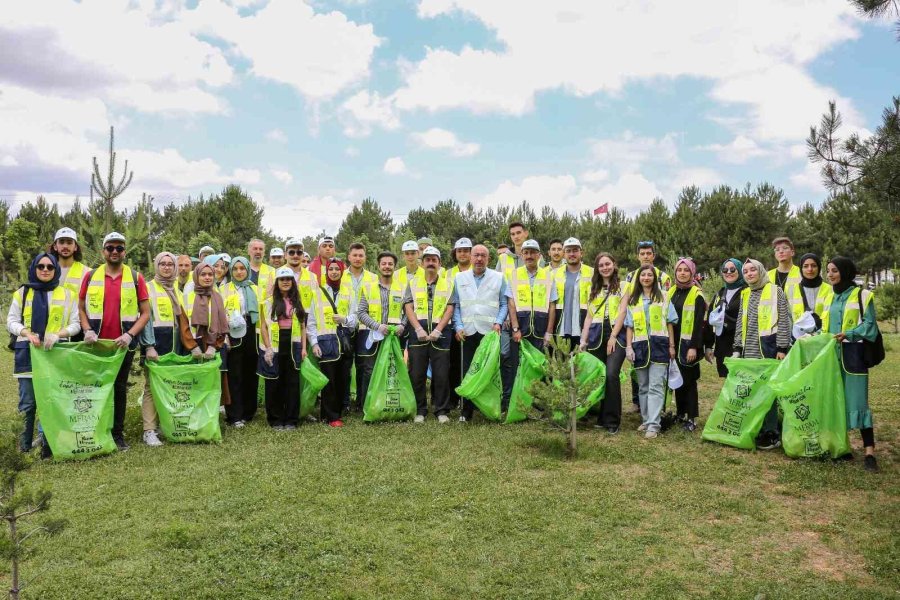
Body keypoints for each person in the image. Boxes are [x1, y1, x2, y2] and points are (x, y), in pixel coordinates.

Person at [79, 232, 151, 451]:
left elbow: (146, 313)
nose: (114, 252)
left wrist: (130, 335)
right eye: (110, 248)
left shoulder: (135, 277)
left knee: (119, 388)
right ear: (103, 251)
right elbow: (81, 307)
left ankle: (117, 435)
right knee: (96, 387)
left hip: (122, 346)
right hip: (96, 344)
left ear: (124, 252)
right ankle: (95, 430)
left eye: (119, 248)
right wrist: (87, 329)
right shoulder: (91, 276)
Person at [7, 253, 81, 456]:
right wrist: (26, 333)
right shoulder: (22, 293)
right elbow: (11, 321)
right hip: (28, 354)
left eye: (50, 266)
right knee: (28, 403)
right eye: (41, 266)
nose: (45, 270)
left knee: (53, 400)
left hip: (56, 355)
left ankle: (49, 445)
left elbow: (76, 324)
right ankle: (24, 447)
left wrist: (59, 334)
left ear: (56, 269)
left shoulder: (67, 294)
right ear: (34, 268)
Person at [821, 257, 881, 472]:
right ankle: (841, 447)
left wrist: (850, 333)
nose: (830, 275)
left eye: (834, 270)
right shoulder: (828, 296)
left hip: (854, 355)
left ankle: (869, 453)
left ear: (845, 271)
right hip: (831, 356)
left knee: (859, 403)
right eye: (828, 271)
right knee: (834, 402)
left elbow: (870, 326)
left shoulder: (862, 295)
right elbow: (824, 325)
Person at [733, 258, 792, 450]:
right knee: (754, 391)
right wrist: (736, 348)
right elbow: (740, 323)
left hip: (769, 349)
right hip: (749, 350)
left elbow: (784, 320)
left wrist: (782, 348)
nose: (749, 274)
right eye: (746, 271)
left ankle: (772, 433)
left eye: (753, 270)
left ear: (760, 271)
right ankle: (757, 428)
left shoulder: (775, 291)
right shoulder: (745, 294)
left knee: (769, 392)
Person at [451, 244, 508, 422]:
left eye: (483, 256)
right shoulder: (459, 277)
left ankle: (488, 408)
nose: (479, 259)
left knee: (489, 371)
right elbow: (456, 305)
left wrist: (498, 322)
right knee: (469, 371)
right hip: (467, 332)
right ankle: (466, 411)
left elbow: (504, 304)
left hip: (489, 332)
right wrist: (458, 326)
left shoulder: (498, 277)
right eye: (476, 255)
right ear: (471, 257)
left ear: (488, 259)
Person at [624, 265, 677, 439]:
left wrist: (671, 346)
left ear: (654, 278)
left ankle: (654, 425)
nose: (646, 277)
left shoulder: (664, 297)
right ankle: (646, 420)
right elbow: (629, 326)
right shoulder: (634, 300)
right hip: (639, 347)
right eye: (643, 275)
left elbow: (670, 323)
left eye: (649, 275)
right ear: (638, 278)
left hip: (659, 346)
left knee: (655, 386)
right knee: (643, 387)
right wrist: (629, 347)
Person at [404, 246, 455, 423]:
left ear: (440, 263)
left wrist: (439, 328)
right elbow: (408, 306)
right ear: (422, 262)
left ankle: (441, 410)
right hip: (418, 333)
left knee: (441, 374)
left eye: (434, 260)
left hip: (440, 333)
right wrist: (417, 328)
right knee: (417, 373)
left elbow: (450, 308)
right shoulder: (412, 283)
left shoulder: (448, 283)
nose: (431, 263)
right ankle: (420, 410)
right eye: (428, 260)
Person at [139, 252, 185, 447]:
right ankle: (149, 430)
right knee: (151, 387)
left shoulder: (177, 290)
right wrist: (148, 346)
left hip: (175, 343)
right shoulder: (148, 288)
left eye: (170, 264)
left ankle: (165, 424)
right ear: (156, 266)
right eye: (163, 264)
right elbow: (144, 318)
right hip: (155, 344)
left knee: (170, 386)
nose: (166, 267)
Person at [507, 240, 558, 413]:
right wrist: (515, 328)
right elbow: (511, 303)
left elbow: (552, 306)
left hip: (541, 328)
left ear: (539, 255)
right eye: (526, 252)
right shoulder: (514, 275)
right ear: (522, 255)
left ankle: (540, 404)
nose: (529, 256)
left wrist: (549, 332)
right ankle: (520, 402)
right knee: (519, 365)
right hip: (520, 328)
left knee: (541, 367)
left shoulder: (548, 276)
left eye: (532, 252)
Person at [579, 252, 627, 433]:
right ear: (597, 269)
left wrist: (613, 336)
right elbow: (589, 318)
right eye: (601, 265)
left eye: (608, 264)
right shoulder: (594, 289)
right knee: (599, 376)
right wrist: (583, 340)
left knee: (611, 375)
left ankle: (613, 420)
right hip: (596, 335)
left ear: (614, 264)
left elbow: (622, 313)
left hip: (617, 334)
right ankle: (601, 415)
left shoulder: (624, 286)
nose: (605, 267)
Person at [622, 240, 672, 412]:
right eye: (642, 253)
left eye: (648, 253)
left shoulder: (664, 277)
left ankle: (659, 407)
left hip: (658, 331)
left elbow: (666, 302)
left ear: (653, 255)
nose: (645, 256)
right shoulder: (630, 277)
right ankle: (637, 403)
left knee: (658, 376)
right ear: (638, 256)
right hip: (638, 329)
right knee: (639, 371)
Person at [308, 258, 356, 427]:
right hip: (325, 342)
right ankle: (331, 416)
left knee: (342, 379)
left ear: (342, 271)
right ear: (326, 272)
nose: (334, 272)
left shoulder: (348, 291)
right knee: (329, 381)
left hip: (343, 343)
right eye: (331, 269)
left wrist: (345, 319)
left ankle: (334, 412)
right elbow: (311, 321)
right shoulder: (318, 292)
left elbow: (355, 317)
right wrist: (313, 343)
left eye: (337, 269)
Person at [258, 267, 307, 429]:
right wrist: (268, 348)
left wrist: (304, 348)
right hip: (275, 345)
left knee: (292, 383)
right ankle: (276, 419)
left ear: (293, 282)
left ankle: (291, 419)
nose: (285, 282)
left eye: (288, 279)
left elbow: (302, 327)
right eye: (282, 279)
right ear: (277, 282)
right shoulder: (268, 303)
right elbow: (264, 327)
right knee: (274, 382)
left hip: (293, 345)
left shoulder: (298, 302)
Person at [356, 252, 406, 405]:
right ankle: (367, 404)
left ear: (394, 267)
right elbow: (361, 312)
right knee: (369, 370)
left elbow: (409, 311)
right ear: (379, 266)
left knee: (392, 371)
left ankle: (388, 404)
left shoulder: (403, 288)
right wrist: (377, 326)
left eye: (390, 264)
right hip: (373, 335)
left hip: (394, 337)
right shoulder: (368, 287)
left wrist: (402, 325)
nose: (387, 267)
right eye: (384, 264)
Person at [179, 261, 231, 409]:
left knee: (212, 383)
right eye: (203, 274)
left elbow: (222, 325)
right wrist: (192, 346)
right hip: (192, 347)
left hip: (211, 347)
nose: (207, 277)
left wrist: (214, 346)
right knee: (193, 382)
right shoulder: (187, 296)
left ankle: (211, 415)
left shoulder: (218, 297)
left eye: (210, 274)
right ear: (196, 276)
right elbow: (183, 324)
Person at [667, 258, 707, 432]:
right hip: (672, 343)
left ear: (692, 273)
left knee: (689, 382)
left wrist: (694, 347)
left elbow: (700, 324)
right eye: (679, 270)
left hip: (689, 344)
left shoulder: (696, 294)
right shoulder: (671, 291)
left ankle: (691, 418)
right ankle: (680, 413)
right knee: (677, 379)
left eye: (686, 270)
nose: (682, 273)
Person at [220, 257, 260, 428]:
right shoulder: (224, 289)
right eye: (235, 269)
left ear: (247, 270)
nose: (238, 272)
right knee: (234, 374)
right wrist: (225, 336)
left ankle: (249, 412)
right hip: (233, 332)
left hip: (252, 330)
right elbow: (219, 313)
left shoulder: (256, 289)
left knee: (251, 372)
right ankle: (234, 415)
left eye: (242, 268)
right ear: (231, 271)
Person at [343, 243, 377, 411]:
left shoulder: (373, 278)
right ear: (349, 257)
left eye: (361, 255)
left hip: (365, 326)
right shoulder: (341, 276)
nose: (357, 258)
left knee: (364, 365)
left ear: (365, 258)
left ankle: (363, 402)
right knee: (346, 365)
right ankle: (345, 402)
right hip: (346, 326)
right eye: (354, 255)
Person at [703, 258, 747, 377]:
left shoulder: (748, 291)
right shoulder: (720, 294)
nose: (728, 272)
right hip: (722, 347)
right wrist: (708, 346)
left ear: (740, 271)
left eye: (733, 269)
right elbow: (711, 321)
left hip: (744, 348)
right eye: (725, 269)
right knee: (728, 387)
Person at [447, 237, 473, 410]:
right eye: (459, 251)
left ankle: (472, 399)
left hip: (474, 323)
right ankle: (454, 399)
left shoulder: (479, 270)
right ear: (455, 253)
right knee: (453, 363)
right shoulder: (447, 274)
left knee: (472, 363)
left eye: (466, 250)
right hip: (451, 325)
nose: (462, 253)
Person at [554, 237, 593, 351]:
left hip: (584, 328)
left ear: (582, 253)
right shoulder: (553, 275)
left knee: (582, 367)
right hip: (561, 327)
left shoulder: (593, 273)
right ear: (564, 254)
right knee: (562, 366)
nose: (572, 254)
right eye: (568, 251)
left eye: (575, 250)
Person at [768, 237, 804, 321]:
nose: (781, 251)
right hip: (773, 323)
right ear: (775, 255)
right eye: (777, 249)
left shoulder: (801, 273)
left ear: (792, 252)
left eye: (785, 248)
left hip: (797, 323)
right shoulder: (768, 276)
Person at [49, 227, 87, 295]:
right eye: (61, 242)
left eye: (69, 243)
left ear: (75, 247)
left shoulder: (87, 272)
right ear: (55, 246)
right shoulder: (45, 271)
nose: (65, 246)